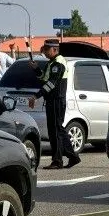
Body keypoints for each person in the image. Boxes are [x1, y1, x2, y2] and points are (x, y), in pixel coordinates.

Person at [28, 39, 79, 170]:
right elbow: (43, 78)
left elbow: (51, 83)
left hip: (57, 100)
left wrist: (36, 96)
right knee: (55, 130)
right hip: (52, 100)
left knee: (56, 131)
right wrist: (36, 69)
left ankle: (59, 160)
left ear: (54, 50)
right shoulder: (52, 63)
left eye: (46, 49)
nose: (44, 52)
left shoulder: (58, 63)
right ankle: (69, 157)